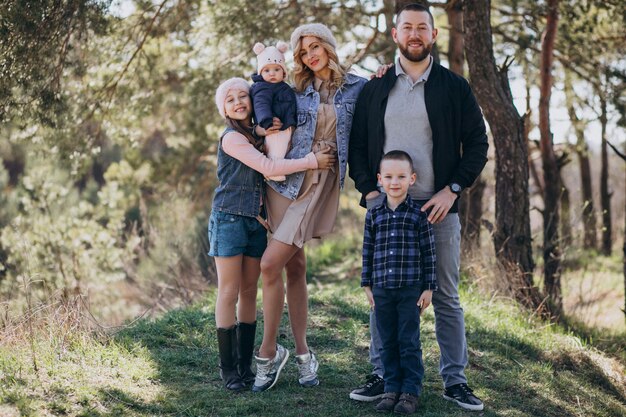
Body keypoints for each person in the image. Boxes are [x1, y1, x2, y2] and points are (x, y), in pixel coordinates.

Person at [348, 3, 488, 411]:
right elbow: (357, 147)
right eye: (406, 27)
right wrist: (370, 193)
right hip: (387, 208)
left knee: (444, 294)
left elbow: (477, 144)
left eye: (421, 28)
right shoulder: (375, 88)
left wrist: (453, 189)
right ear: (395, 35)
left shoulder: (454, 87)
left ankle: (455, 381)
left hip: (436, 207)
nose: (414, 34)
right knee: (383, 296)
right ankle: (382, 375)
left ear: (433, 35)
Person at [252, 23, 367, 393]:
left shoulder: (360, 87)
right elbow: (263, 109)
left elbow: (379, 113)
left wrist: (385, 73)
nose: (309, 55)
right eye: (302, 52)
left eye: (315, 47)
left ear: (329, 46)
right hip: (284, 182)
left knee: (270, 263)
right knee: (294, 265)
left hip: (319, 183)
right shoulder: (294, 87)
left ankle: (268, 354)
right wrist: (257, 128)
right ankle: (303, 354)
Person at [210, 77, 335, 391]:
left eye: (243, 96)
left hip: (254, 222)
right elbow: (268, 167)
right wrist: (311, 162)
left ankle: (246, 366)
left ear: (253, 101)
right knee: (229, 290)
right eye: (230, 99)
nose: (238, 102)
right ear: (223, 109)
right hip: (228, 220)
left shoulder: (255, 135)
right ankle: (229, 372)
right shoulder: (232, 140)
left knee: (250, 290)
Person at [361, 150, 437, 414]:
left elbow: (429, 253)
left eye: (401, 176)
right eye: (389, 177)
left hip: (410, 291)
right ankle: (391, 388)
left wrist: (428, 287)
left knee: (408, 341)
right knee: (387, 341)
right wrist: (367, 285)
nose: (395, 182)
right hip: (381, 289)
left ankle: (410, 392)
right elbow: (367, 250)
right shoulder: (374, 215)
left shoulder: (418, 215)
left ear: (412, 179)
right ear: (380, 179)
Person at [250, 41, 297, 182]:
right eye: (266, 70)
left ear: (283, 71)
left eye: (276, 69)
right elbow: (260, 104)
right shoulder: (262, 87)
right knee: (276, 148)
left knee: (284, 147)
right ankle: (273, 172)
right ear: (261, 72)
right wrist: (266, 120)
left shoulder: (283, 87)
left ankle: (277, 168)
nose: (272, 73)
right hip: (274, 125)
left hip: (285, 124)